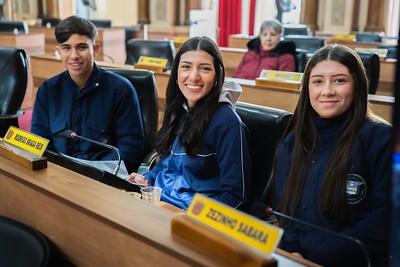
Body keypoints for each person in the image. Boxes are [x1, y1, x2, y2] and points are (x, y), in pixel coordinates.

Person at [273, 44, 391, 266]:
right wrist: (292, 252)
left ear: (357, 85)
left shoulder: (381, 139)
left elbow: (385, 220)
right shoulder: (293, 141)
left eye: (339, 80)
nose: (327, 90)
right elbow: (284, 211)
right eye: (317, 81)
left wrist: (316, 259)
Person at [126, 36, 252, 210]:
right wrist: (147, 178)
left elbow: (236, 197)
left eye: (205, 69)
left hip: (189, 216)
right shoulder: (178, 109)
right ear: (177, 73)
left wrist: (191, 217)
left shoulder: (228, 124)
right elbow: (166, 163)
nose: (194, 77)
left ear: (217, 76)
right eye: (186, 67)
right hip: (159, 203)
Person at [31, 15, 144, 173]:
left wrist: (98, 175)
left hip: (104, 178)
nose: (74, 55)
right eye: (66, 48)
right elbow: (40, 141)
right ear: (58, 51)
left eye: (82, 47)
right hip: (59, 175)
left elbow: (130, 147)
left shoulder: (121, 89)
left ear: (95, 49)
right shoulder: (48, 90)